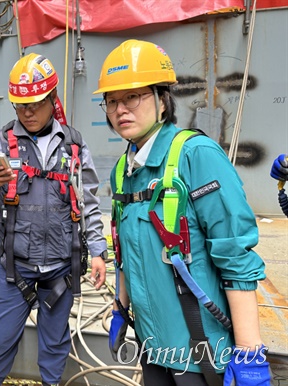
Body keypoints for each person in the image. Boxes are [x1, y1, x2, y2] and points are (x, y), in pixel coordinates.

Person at [94, 39, 271, 386]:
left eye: (133, 96)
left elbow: (235, 252)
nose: (120, 109)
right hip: (153, 346)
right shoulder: (122, 171)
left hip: (201, 351)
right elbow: (125, 252)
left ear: (162, 100)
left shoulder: (196, 156)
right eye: (112, 101)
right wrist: (120, 307)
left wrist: (249, 350)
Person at [0, 53, 108, 386]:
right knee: (0, 342)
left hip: (61, 267)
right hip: (14, 268)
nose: (27, 112)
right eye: (20, 106)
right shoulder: (1, 142)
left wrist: (99, 251)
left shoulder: (73, 145)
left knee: (55, 343)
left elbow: (88, 201)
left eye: (35, 104)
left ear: (52, 98)